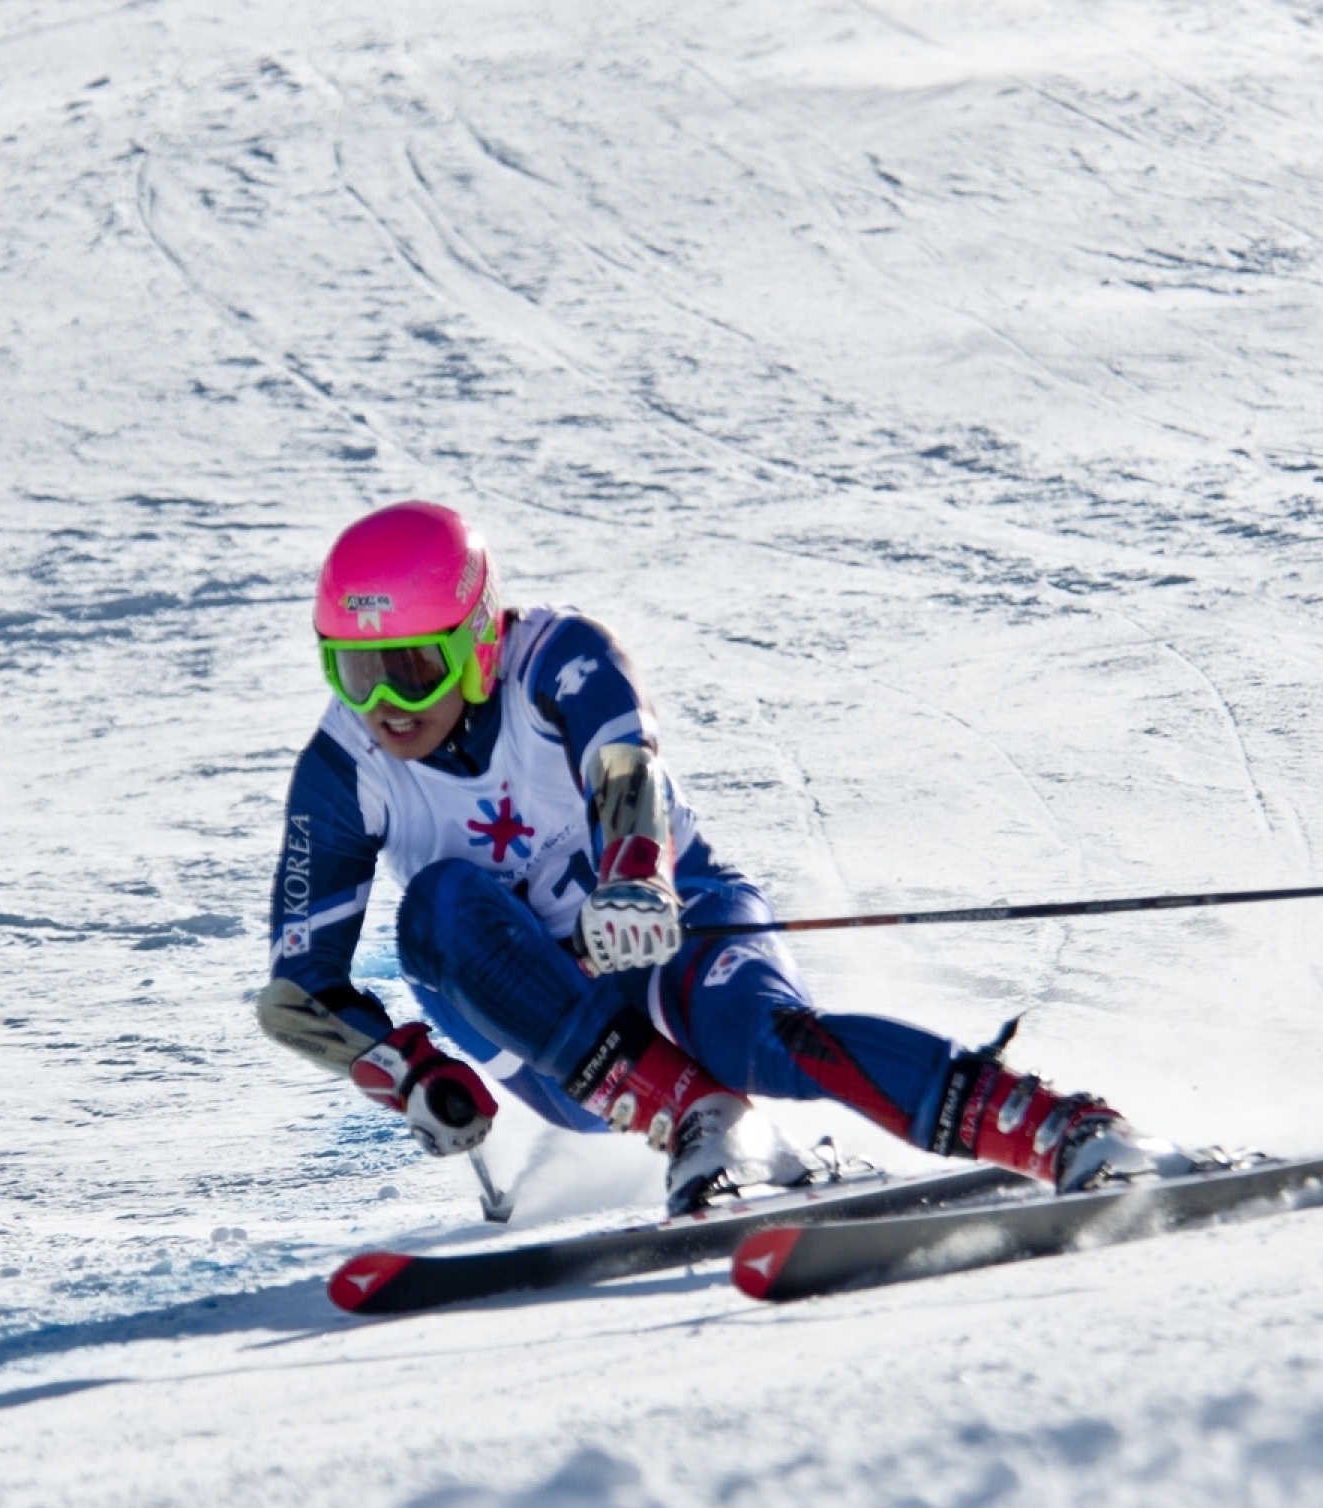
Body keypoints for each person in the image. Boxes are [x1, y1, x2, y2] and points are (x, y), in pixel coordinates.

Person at [256, 500, 1180, 1215]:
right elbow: (301, 991)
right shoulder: (344, 769)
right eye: (355, 670)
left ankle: (1065, 1131)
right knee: (439, 909)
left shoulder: (559, 658)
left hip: (670, 928)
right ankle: (705, 1121)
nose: (387, 704)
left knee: (767, 1040)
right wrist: (410, 1071)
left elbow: (624, 763)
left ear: (478, 639)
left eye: (413, 668)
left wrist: (634, 871)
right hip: (546, 1035)